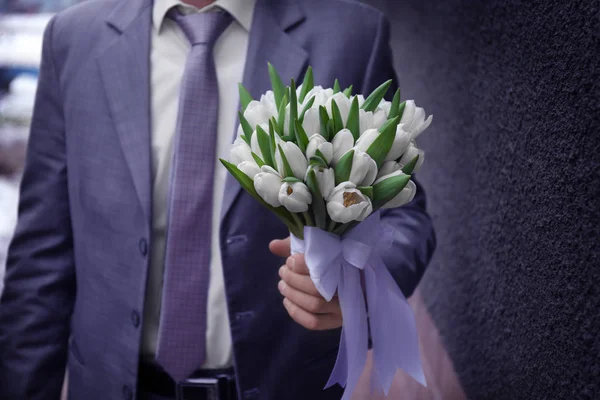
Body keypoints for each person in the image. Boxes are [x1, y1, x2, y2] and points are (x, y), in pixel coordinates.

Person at [0, 0, 436, 399]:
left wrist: (361, 287)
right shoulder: (74, 37)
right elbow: (42, 255)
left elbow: (402, 216)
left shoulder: (350, 33)